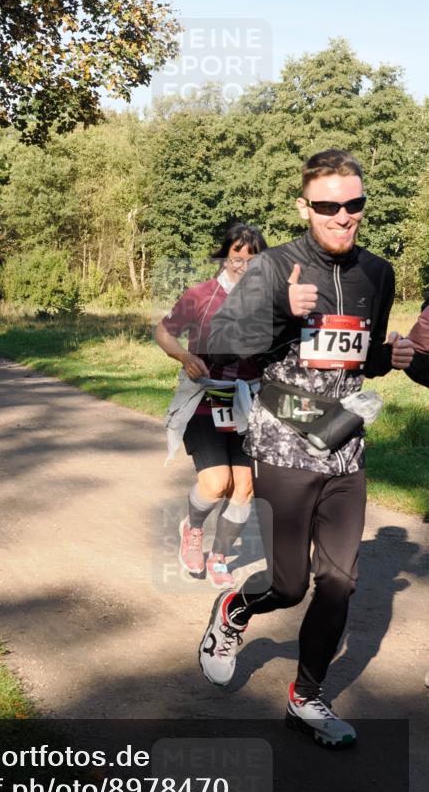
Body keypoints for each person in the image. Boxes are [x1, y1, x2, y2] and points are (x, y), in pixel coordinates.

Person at [198, 149, 414, 748]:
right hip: (283, 442)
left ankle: (307, 697)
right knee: (289, 586)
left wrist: (390, 357)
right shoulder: (273, 267)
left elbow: (362, 358)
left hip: (344, 443)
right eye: (327, 206)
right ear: (304, 207)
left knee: (340, 581)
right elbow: (220, 343)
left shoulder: (378, 272)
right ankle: (234, 610)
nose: (342, 216)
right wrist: (278, 310)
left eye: (353, 203)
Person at [156, 224, 268, 589]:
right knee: (218, 482)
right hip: (206, 398)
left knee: (245, 487)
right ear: (225, 254)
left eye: (253, 258)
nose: (244, 263)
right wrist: (185, 356)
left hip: (246, 401)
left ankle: (219, 556)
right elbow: (163, 331)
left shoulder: (267, 302)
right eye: (238, 254)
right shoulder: (201, 295)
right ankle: (193, 529)